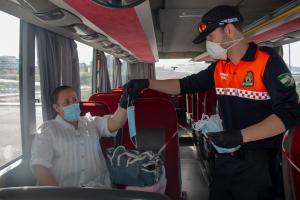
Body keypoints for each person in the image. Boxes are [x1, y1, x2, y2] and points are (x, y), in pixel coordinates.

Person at [123, 5, 300, 200]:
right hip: (224, 160)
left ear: (230, 30)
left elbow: (290, 112)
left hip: (258, 166)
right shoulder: (219, 67)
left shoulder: (267, 62)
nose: (208, 43)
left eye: (210, 37)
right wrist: (146, 83)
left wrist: (241, 136)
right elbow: (184, 85)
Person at [31, 85, 137, 188]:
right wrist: (58, 196)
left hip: (99, 189)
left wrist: (124, 103)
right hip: (66, 192)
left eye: (75, 100)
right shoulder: (47, 130)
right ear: (56, 107)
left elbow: (115, 123)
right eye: (67, 102)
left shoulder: (90, 121)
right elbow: (39, 167)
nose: (72, 104)